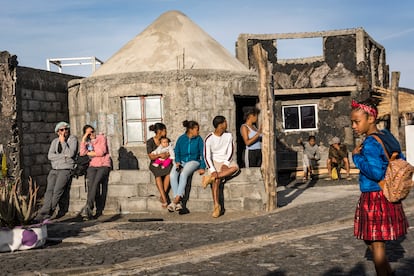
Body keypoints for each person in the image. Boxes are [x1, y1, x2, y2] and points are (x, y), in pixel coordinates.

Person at [351, 99, 408, 276]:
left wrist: (356, 157)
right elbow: (401, 158)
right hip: (386, 195)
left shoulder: (370, 143)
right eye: (352, 122)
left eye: (357, 121)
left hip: (375, 197)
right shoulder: (387, 136)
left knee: (376, 246)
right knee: (371, 240)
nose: (354, 126)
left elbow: (375, 172)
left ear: (371, 119)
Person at [36, 121, 78, 220]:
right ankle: (45, 211)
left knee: (57, 191)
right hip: (54, 169)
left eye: (66, 129)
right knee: (49, 191)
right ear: (57, 131)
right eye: (61, 130)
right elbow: (50, 156)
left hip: (65, 169)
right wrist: (64, 156)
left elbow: (71, 154)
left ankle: (48, 212)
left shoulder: (72, 140)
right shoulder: (55, 141)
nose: (64, 131)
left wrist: (63, 142)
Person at [203, 116, 239, 218]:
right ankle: (216, 206)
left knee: (235, 168)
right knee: (217, 181)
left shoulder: (228, 136)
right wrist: (212, 169)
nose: (226, 123)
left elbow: (231, 150)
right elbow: (207, 156)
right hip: (214, 161)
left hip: (225, 160)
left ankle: (212, 177)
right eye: (225, 122)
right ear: (220, 125)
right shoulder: (209, 138)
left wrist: (226, 163)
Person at [168, 120, 206, 213]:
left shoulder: (199, 139)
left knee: (184, 174)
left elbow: (203, 154)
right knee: (172, 175)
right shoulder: (181, 139)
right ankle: (178, 204)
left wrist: (202, 166)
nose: (198, 132)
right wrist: (177, 162)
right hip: (181, 161)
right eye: (197, 129)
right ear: (191, 130)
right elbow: (177, 151)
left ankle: (176, 200)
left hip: (193, 161)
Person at [79, 125, 111, 219]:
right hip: (92, 165)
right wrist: (84, 139)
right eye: (89, 133)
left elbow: (101, 152)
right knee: (91, 186)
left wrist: (89, 153)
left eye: (92, 131)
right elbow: (82, 153)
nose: (91, 134)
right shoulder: (87, 142)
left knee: (96, 183)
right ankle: (91, 210)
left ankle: (88, 207)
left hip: (103, 165)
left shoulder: (101, 138)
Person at [147, 123, 173, 209]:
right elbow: (151, 156)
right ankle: (165, 198)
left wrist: (167, 155)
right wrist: (159, 155)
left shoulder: (166, 140)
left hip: (166, 161)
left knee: (169, 172)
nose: (166, 132)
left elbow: (171, 150)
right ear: (159, 131)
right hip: (155, 162)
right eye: (164, 130)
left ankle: (163, 195)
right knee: (158, 175)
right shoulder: (150, 142)